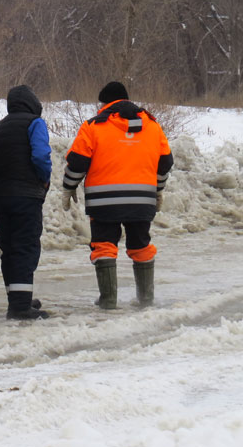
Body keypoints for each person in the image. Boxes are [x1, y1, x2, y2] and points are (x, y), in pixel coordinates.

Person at [62, 81, 173, 309]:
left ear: (104, 103)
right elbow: (165, 163)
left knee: (104, 246)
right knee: (141, 245)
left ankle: (108, 301)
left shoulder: (93, 126)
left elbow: (78, 162)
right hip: (142, 201)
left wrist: (69, 186)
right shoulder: (152, 125)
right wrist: (157, 190)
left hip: (104, 203)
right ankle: (146, 300)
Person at [0, 85, 53, 320]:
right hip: (27, 196)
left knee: (10, 249)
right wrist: (44, 179)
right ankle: (20, 308)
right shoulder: (35, 123)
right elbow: (40, 155)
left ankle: (17, 300)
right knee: (26, 248)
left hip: (3, 197)